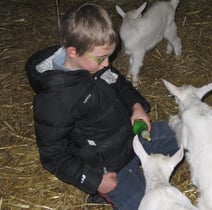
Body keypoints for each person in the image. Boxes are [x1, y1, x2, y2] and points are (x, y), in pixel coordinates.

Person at [25, 2, 179, 210]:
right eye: (101, 58)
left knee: (188, 132)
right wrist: (94, 180)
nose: (107, 64)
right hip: (109, 167)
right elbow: (53, 155)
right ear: (72, 51)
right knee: (146, 206)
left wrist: (136, 107)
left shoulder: (91, 63)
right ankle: (104, 194)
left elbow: (120, 84)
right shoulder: (55, 100)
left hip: (133, 137)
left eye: (109, 56)